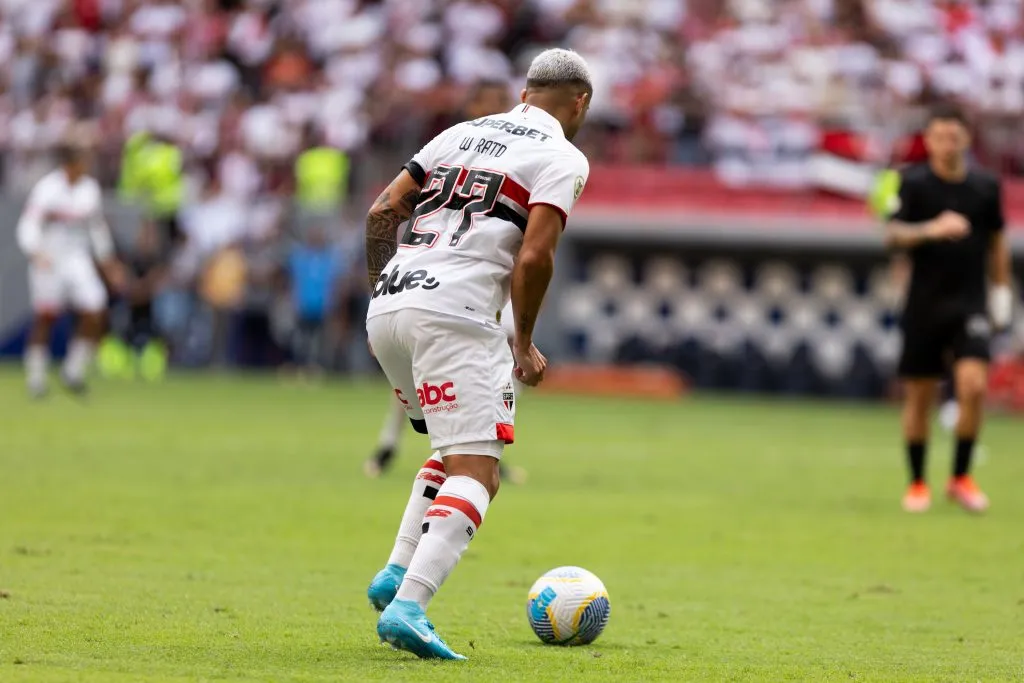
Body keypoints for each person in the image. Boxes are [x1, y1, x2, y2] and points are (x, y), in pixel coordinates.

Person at [362, 48, 592, 659]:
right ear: (581, 103)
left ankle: (394, 571)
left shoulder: (460, 133)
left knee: (451, 448)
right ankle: (409, 606)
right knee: (480, 471)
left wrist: (386, 293)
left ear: (525, 90)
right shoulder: (563, 156)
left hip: (389, 305)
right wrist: (523, 343)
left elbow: (382, 210)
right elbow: (535, 256)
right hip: (457, 316)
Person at [364, 79, 527, 485]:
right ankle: (392, 443)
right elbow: (387, 213)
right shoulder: (450, 145)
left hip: (486, 276)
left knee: (504, 358)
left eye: (497, 103)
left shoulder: (507, 150)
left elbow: (380, 214)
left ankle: (487, 442)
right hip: (438, 274)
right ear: (470, 103)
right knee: (422, 364)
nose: (492, 110)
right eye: (484, 102)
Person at [884, 105, 1013, 513]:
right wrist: (930, 229)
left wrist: (1002, 291)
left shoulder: (985, 187)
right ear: (928, 139)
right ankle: (918, 481)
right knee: (920, 395)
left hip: (969, 301)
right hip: (924, 302)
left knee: (973, 386)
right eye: (939, 137)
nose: (946, 145)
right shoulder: (913, 183)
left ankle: (960, 476)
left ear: (966, 139)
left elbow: (997, 241)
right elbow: (892, 235)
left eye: (953, 137)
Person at [18, 144, 126, 397]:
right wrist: (35, 251)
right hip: (49, 258)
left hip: (78, 258)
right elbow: (29, 223)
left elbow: (96, 228)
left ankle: (73, 370)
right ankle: (36, 377)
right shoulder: (47, 188)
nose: (84, 167)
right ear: (68, 164)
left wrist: (107, 261)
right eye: (80, 162)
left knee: (96, 308)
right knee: (46, 316)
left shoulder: (89, 189)